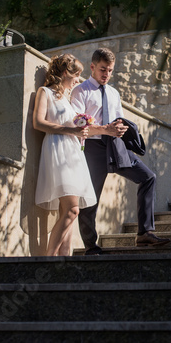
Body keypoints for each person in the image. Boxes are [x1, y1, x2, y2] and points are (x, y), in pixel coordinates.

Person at [70, 47, 170, 255]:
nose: (106, 74)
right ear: (93, 67)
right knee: (91, 197)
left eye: (110, 70)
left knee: (147, 177)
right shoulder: (81, 91)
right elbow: (78, 125)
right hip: (93, 148)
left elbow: (118, 119)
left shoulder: (114, 93)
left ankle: (145, 233)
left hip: (116, 145)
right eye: (103, 69)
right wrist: (104, 129)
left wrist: (121, 128)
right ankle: (90, 246)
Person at [33, 54, 97, 256]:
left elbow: (73, 128)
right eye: (76, 75)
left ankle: (65, 261)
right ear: (64, 73)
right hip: (57, 152)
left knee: (69, 212)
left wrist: (82, 130)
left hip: (73, 155)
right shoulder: (46, 92)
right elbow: (38, 123)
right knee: (72, 210)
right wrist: (71, 131)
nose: (78, 80)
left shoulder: (68, 101)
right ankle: (49, 258)